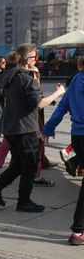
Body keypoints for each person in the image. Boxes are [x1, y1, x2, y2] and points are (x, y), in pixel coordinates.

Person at [0, 43, 65, 213]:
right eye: (35, 57)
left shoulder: (10, 75)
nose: (37, 60)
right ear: (28, 60)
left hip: (10, 127)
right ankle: (24, 201)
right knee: (30, 165)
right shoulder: (27, 79)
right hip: (24, 128)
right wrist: (58, 93)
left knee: (19, 164)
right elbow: (39, 104)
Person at [42, 56, 84, 244]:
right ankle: (78, 230)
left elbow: (61, 107)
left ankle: (78, 231)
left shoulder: (74, 81)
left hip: (78, 137)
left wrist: (48, 129)